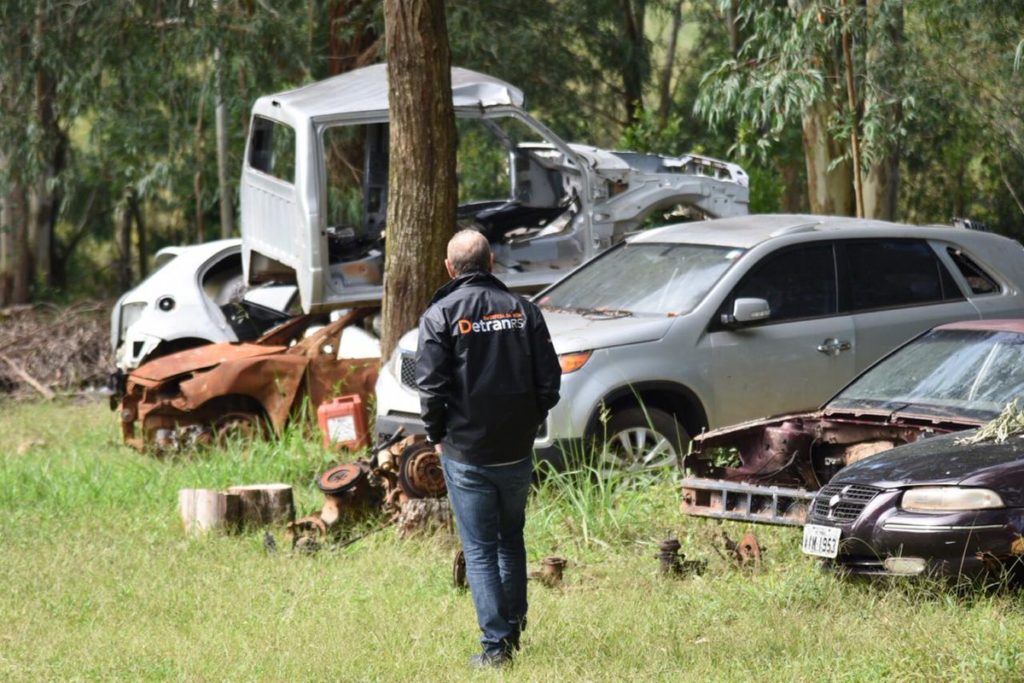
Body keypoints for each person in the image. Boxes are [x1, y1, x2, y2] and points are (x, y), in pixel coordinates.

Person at [416, 229, 561, 668]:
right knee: (510, 539)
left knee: (480, 548)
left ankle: (497, 649)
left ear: (449, 268)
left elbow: (431, 388)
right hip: (516, 449)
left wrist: (437, 435)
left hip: (466, 452)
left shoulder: (440, 314)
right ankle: (512, 628)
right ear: (491, 262)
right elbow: (550, 382)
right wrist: (529, 420)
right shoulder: (524, 311)